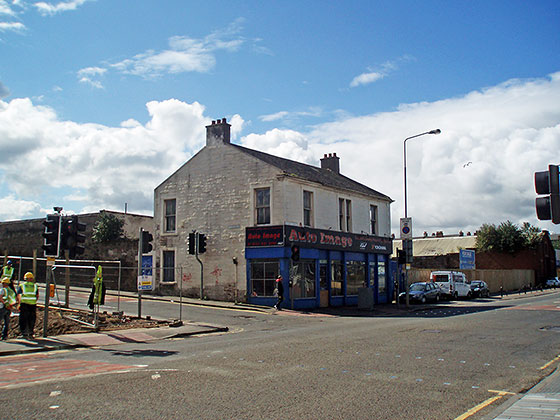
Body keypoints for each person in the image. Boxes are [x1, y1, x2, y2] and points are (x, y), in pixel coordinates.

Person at [17, 272, 39, 339]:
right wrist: (33, 301)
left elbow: (19, 295)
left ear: (25, 278)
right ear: (32, 278)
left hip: (24, 304)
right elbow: (37, 296)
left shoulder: (22, 285)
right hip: (32, 304)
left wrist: (19, 304)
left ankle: (24, 334)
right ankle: (31, 333)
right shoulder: (35, 286)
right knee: (31, 319)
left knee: (23, 319)